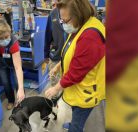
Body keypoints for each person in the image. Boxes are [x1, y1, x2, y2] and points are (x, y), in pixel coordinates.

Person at [45, 0, 106, 131]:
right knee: (76, 113)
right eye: (62, 21)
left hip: (86, 93)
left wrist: (55, 88)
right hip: (78, 90)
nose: (63, 24)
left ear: (79, 14)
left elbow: (75, 74)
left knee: (78, 123)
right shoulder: (80, 26)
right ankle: (74, 124)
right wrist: (57, 66)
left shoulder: (90, 36)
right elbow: (72, 53)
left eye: (66, 21)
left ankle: (75, 127)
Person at [0, 18, 25, 110]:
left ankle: (21, 102)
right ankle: (11, 100)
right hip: (0, 62)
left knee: (18, 83)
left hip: (13, 62)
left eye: (7, 36)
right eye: (1, 38)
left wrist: (21, 88)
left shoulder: (13, 43)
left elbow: (18, 67)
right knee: (6, 82)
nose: (4, 40)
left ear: (9, 31)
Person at [44, 0, 67, 87]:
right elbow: (47, 36)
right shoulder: (53, 14)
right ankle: (54, 100)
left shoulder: (75, 12)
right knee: (54, 84)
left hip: (71, 57)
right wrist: (45, 54)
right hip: (56, 56)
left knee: (67, 85)